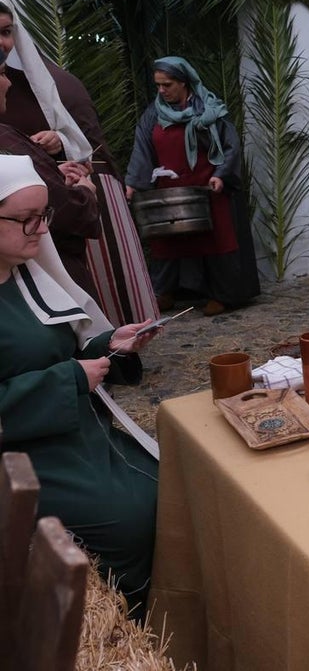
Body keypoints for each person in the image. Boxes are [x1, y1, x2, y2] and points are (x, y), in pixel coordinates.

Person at [0, 153, 160, 616]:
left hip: (74, 432)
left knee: (169, 487)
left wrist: (112, 344)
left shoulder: (24, 273)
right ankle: (129, 620)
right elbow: (56, 373)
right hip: (22, 458)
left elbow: (59, 356)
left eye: (44, 215)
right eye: (27, 220)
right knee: (129, 520)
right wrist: (69, 379)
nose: (43, 230)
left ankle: (168, 605)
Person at [0, 0, 159, 326]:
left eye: (6, 32)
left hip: (58, 209)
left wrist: (57, 147)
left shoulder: (51, 83)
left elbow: (84, 145)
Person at [125, 56, 260, 316]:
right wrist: (133, 182)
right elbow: (142, 149)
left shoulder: (208, 111)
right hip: (169, 188)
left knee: (216, 241)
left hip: (208, 186)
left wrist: (221, 174)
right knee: (167, 243)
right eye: (158, 86)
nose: (162, 90)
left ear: (184, 82)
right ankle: (164, 291)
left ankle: (223, 295)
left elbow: (229, 146)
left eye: (168, 84)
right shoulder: (153, 114)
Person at [0, 45, 103, 296]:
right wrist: (84, 192)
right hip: (36, 276)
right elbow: (70, 212)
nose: (8, 83)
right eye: (1, 74)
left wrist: (54, 170)